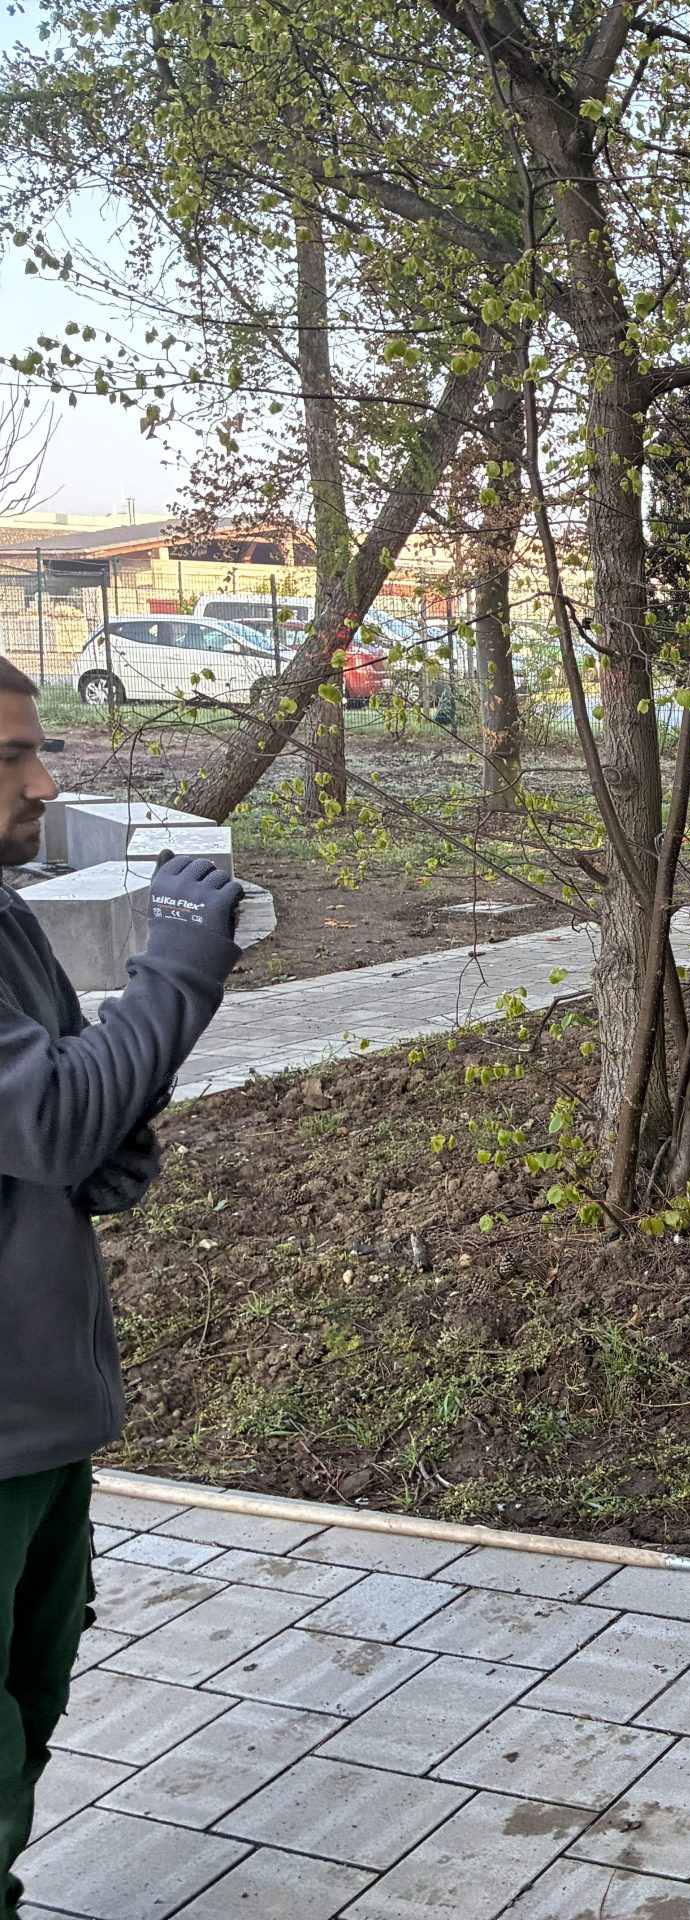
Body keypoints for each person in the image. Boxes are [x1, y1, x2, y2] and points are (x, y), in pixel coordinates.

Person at [0, 658, 241, 1906]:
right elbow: (48, 1121)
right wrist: (179, 966)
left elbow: (71, 1108)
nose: (41, 785)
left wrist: (112, 1131)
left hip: (39, 1419)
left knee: (33, 1702)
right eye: (7, 761)